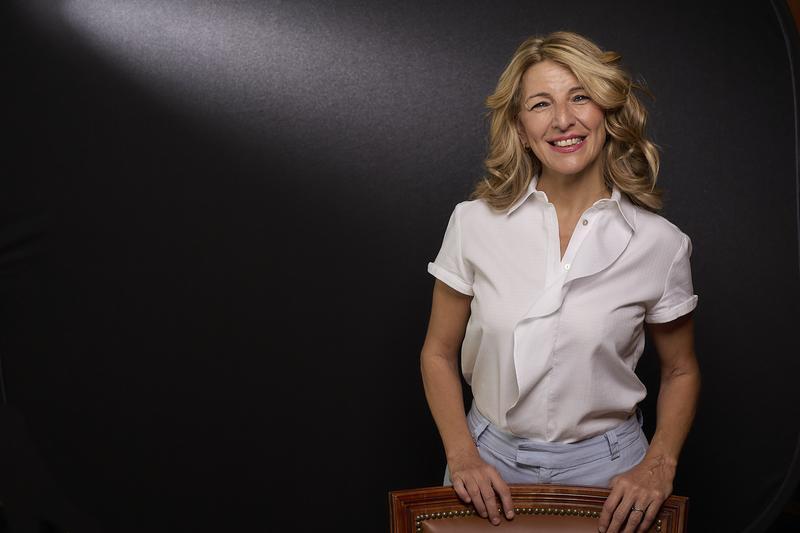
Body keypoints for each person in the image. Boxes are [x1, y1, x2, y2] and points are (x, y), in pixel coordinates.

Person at [420, 31, 700, 533]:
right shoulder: (473, 222)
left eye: (580, 97)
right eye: (541, 104)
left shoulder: (661, 243)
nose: (563, 119)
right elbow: (437, 353)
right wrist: (462, 456)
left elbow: (681, 370)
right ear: (521, 127)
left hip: (611, 474)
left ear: (607, 112)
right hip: (485, 466)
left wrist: (659, 465)